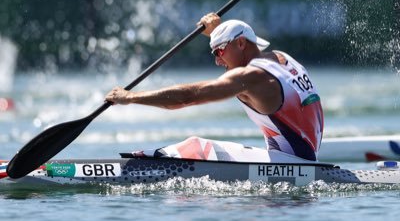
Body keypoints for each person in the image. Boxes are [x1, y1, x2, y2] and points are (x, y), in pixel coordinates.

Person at [105, 13, 324, 163]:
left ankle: (136, 165)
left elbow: (188, 97)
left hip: (292, 164)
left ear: (240, 43)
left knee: (196, 147)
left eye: (219, 52)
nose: (218, 62)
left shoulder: (251, 77)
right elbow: (242, 55)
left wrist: (131, 97)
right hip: (305, 156)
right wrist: (219, 32)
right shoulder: (281, 58)